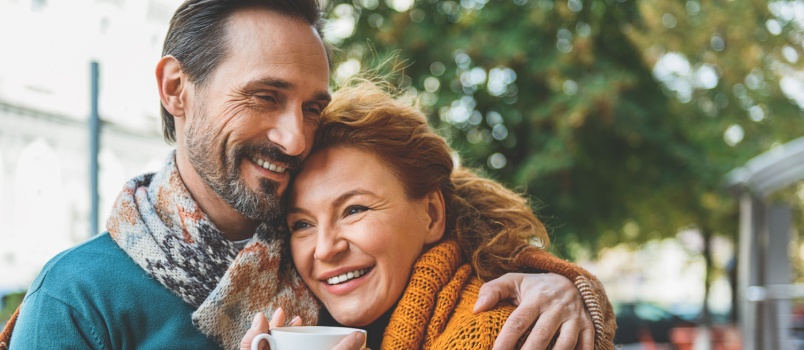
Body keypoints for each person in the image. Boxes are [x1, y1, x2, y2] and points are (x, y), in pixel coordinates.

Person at [2, 0, 613, 349]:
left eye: (312, 107)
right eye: (264, 96)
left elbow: (459, 220)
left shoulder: (341, 279)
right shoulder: (81, 297)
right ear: (175, 90)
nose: (296, 137)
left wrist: (562, 284)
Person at [240, 80, 615, 350]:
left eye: (354, 209)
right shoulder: (301, 322)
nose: (324, 250)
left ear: (432, 214)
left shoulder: (499, 332)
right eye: (302, 224)